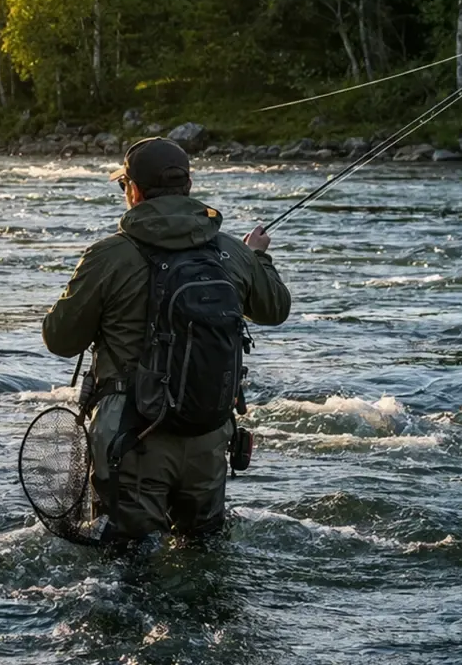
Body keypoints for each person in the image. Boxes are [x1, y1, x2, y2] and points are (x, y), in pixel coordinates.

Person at [42, 137, 291, 542]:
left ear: (134, 191)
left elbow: (59, 339)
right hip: (208, 437)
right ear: (189, 185)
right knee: (203, 555)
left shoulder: (108, 255)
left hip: (132, 439)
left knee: (128, 570)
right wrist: (257, 256)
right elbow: (276, 308)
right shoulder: (231, 252)